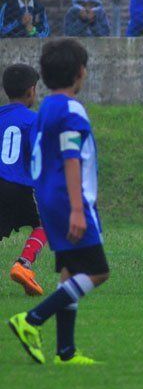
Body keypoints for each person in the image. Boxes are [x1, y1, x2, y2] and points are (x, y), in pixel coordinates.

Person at [7, 39, 109, 365]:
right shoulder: (71, 109)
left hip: (49, 199)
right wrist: (78, 208)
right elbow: (71, 156)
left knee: (69, 271)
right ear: (81, 72)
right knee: (97, 272)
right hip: (70, 200)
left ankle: (65, 351)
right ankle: (32, 320)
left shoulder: (44, 109)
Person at [0, 64, 47, 296]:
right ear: (31, 90)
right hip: (18, 185)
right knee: (44, 223)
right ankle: (23, 265)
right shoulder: (33, 120)